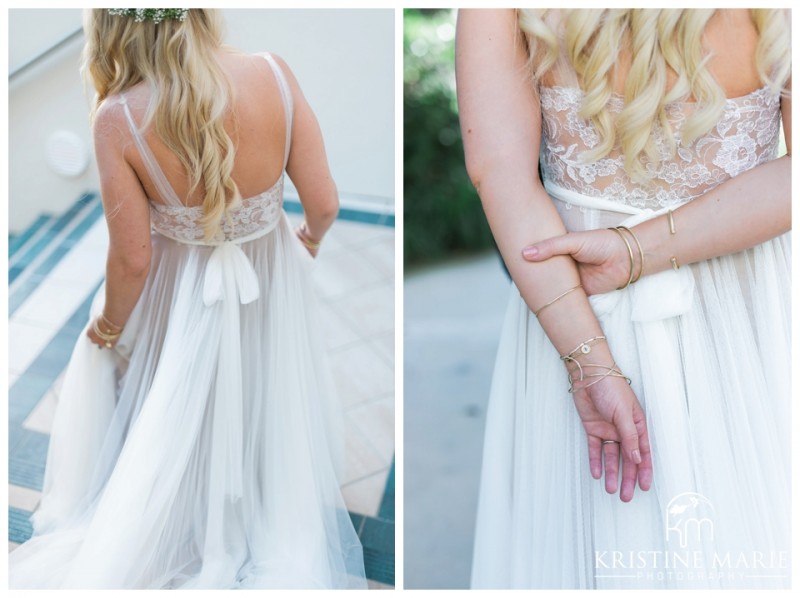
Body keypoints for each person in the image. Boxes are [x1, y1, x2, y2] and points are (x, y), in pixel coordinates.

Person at [9, 9, 366, 589]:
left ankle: (188, 506)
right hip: (269, 273)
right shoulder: (273, 73)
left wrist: (108, 326)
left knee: (174, 389)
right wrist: (309, 241)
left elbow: (132, 260)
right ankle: (255, 496)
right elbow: (323, 202)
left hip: (183, 289)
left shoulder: (117, 118)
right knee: (260, 383)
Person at [456, 8, 790, 589]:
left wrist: (589, 367)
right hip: (739, 300)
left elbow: (501, 172)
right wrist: (636, 249)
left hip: (568, 301)